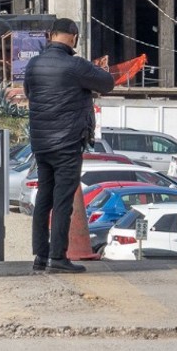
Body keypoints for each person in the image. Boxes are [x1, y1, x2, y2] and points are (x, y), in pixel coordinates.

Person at [22, 17, 115, 274]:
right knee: (63, 200)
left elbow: (30, 94)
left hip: (41, 143)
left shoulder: (33, 65)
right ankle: (58, 257)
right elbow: (107, 83)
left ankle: (40, 256)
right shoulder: (75, 65)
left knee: (43, 198)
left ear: (51, 35)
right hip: (67, 144)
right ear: (74, 38)